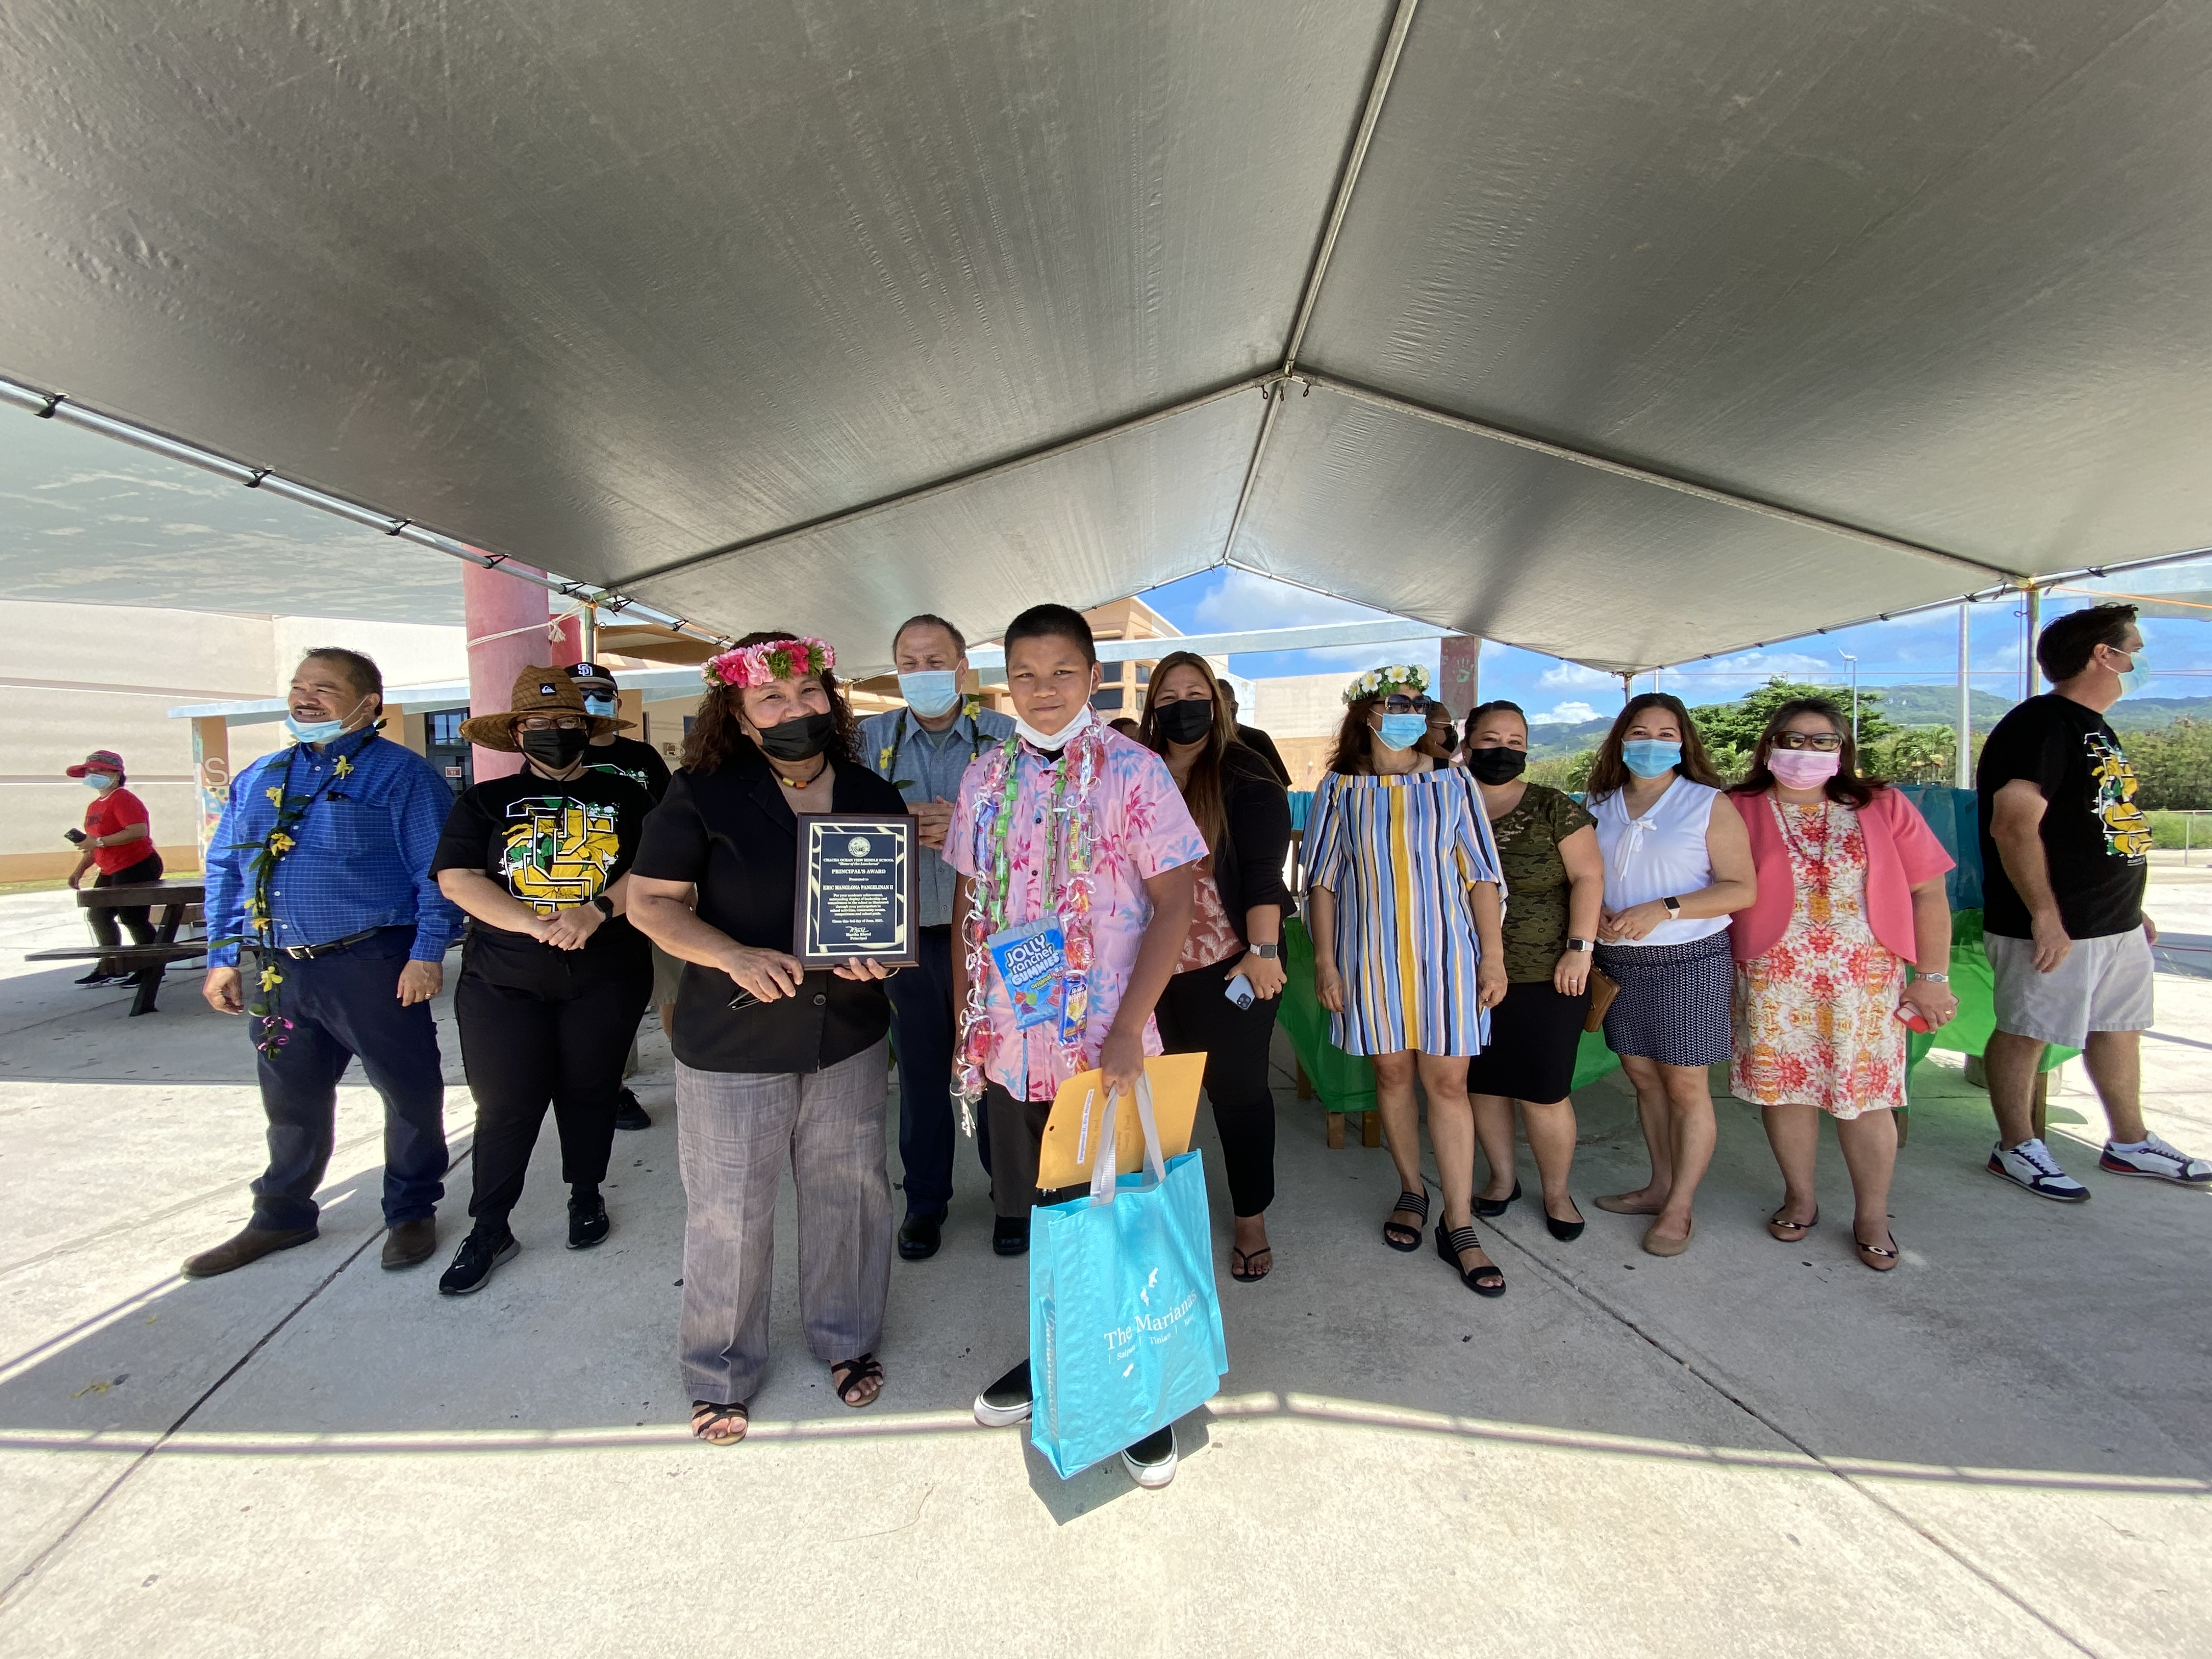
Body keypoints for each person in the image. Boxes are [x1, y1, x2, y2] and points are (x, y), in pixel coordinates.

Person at [627, 632, 902, 1446]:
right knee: (728, 1214)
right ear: (741, 718)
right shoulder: (701, 794)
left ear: (831, 698)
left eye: (808, 694)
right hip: (733, 1044)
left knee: (850, 1196)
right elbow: (651, 904)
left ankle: (847, 1342)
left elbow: (882, 916)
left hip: (845, 1037)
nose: (794, 711)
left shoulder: (870, 794)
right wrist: (731, 954)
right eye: (771, 701)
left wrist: (879, 958)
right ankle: (720, 1370)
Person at [953, 605, 1204, 1488]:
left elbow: (1175, 902)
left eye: (1063, 672)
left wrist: (1131, 1026)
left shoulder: (1133, 773)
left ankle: (1145, 1397)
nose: (1045, 690)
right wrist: (966, 1027)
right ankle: (1056, 1363)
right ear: (1006, 682)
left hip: (1110, 1046)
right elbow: (968, 912)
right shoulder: (985, 779)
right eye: (1026, 674)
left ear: (1092, 677)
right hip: (1015, 1047)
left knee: (1125, 1213)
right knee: (1045, 1217)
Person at [185, 648, 462, 1278]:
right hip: (282, 971)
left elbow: (435, 874)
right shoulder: (260, 777)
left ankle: (412, 1207)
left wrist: (426, 955)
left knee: (409, 1091)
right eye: (299, 687)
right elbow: (228, 867)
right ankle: (281, 1214)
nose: (306, 698)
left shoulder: (401, 776)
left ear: (370, 704)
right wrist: (224, 956)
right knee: (290, 1097)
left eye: (326, 689)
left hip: (372, 962)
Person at [428, 668, 657, 1295]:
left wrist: (597, 909)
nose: (553, 734)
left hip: (606, 970)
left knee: (590, 1089)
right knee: (506, 1102)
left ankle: (586, 1195)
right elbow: (458, 878)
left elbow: (660, 873)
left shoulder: (631, 800)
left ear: (586, 729)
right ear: (517, 734)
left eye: (566, 724)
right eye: (538, 725)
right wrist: (536, 925)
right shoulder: (482, 801)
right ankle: (491, 1225)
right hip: (504, 977)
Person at [1978, 603, 2210, 1197]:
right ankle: (2016, 1146)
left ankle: (2129, 1142)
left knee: (2119, 1028)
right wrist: (2045, 915)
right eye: (2133, 647)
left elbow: (2099, 825)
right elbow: (2013, 825)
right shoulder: (2041, 724)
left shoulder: (2093, 726)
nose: (2141, 660)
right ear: (2103, 655)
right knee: (2026, 1031)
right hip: (2056, 924)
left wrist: (2132, 908)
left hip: (2115, 921)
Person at [1728, 699, 1957, 1270]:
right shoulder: (1737, 807)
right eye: (1793, 739)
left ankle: (1872, 1214)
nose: (1806, 752)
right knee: (1786, 1091)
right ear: (1769, 745)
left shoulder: (1882, 805)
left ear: (1843, 750)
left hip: (1867, 981)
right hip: (1774, 977)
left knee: (1867, 1098)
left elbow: (1929, 894)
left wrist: (1931, 977)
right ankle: (1800, 1197)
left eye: (1823, 741)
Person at [1306, 664, 1510, 1296]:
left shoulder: (1454, 785)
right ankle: (1412, 1189)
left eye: (1421, 705)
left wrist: (1493, 957)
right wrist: (1326, 960)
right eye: (1399, 703)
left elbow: (1481, 875)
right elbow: (1322, 881)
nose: (1411, 713)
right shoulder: (1338, 791)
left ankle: (1460, 1221)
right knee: (1392, 1073)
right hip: (1370, 958)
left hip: (1449, 955)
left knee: (1447, 1083)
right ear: (1368, 713)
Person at [855, 614, 1014, 1261]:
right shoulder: (869, 738)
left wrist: (967, 823)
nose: (922, 673)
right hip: (908, 933)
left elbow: (1037, 829)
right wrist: (893, 820)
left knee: (1002, 1072)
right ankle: (925, 1202)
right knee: (921, 1077)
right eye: (909, 663)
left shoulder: (1006, 736)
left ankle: (1012, 1195)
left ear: (963, 669)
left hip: (993, 934)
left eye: (935, 660)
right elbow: (841, 826)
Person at [1139, 651, 1293, 1281]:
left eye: (1194, 691)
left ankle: (1251, 1215)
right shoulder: (1137, 770)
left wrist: (1263, 953)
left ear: (1217, 701)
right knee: (1158, 1104)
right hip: (1145, 971)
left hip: (1225, 965)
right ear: (1154, 707)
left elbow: (1263, 874)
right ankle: (1163, 1214)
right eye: (1169, 695)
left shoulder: (1244, 772)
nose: (1183, 704)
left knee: (1238, 1095)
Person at [1586, 693, 1757, 1257]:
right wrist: (1600, 913)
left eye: (1666, 734)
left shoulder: (1707, 803)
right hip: (1619, 962)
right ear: (1621, 739)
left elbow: (1740, 887)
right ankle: (1657, 1184)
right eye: (1640, 732)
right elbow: (1585, 875)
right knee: (1643, 1079)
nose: (1652, 744)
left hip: (1689, 959)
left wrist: (1666, 908)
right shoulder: (1600, 802)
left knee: (1685, 1086)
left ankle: (1680, 1205)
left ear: (1683, 742)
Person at [1460, 702, 1602, 1239]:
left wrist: (1579, 948)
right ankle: (1501, 1179)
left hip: (1549, 973)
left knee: (1544, 1090)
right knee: (1485, 1085)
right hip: (1464, 976)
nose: (1504, 749)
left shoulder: (1552, 808)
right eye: (1492, 738)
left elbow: (1589, 877)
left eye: (1517, 741)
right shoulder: (1447, 803)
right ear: (1467, 743)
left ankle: (1558, 1193)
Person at [566, 659, 674, 1132]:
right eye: (579, 692)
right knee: (598, 1012)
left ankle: (687, 1074)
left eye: (600, 691)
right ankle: (610, 1090)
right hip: (583, 904)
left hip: (647, 890)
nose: (592, 700)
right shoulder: (554, 760)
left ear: (617, 700)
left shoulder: (644, 758)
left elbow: (671, 821)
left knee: (665, 991)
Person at [64, 749, 163, 986]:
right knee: (98, 914)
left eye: (99, 771)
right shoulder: (94, 806)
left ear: (116, 774)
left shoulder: (124, 799)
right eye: (89, 771)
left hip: (137, 864)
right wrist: (80, 870)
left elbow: (138, 831)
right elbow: (92, 844)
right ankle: (110, 966)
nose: (92, 775)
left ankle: (149, 968)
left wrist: (98, 842)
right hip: (110, 868)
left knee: (133, 917)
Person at [1220, 680, 1293, 788]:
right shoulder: (1205, 743)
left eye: (1222, 705)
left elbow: (1282, 784)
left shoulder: (1258, 740)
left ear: (1234, 707)